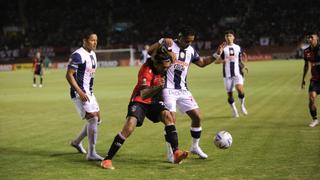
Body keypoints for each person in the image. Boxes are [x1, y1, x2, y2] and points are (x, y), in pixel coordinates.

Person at [100, 49, 189, 170]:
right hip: (140, 99)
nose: (166, 70)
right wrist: (159, 86)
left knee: (168, 117)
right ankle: (107, 159)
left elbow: (160, 50)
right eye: (164, 67)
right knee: (130, 126)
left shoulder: (163, 65)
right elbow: (144, 94)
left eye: (167, 67)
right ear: (157, 64)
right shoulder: (146, 71)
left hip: (154, 100)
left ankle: (176, 152)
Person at [148, 26, 218, 162]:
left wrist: (216, 55)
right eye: (186, 41)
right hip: (168, 89)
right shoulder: (168, 44)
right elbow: (150, 51)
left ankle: (195, 146)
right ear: (179, 37)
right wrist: (161, 40)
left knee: (197, 117)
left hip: (183, 90)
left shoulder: (191, 50)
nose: (189, 44)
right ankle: (171, 152)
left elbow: (202, 63)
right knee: (170, 120)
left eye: (191, 41)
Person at [66, 30, 103, 161]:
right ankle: (91, 153)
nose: (95, 43)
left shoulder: (92, 54)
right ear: (85, 41)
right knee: (92, 119)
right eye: (92, 40)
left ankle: (76, 142)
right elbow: (69, 75)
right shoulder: (77, 55)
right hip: (79, 92)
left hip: (89, 92)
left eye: (96, 40)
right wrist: (80, 92)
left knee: (97, 119)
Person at [214, 30, 248, 118]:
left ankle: (242, 106)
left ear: (233, 37)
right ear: (225, 38)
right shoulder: (223, 49)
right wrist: (222, 60)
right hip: (227, 75)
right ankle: (234, 110)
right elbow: (216, 61)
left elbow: (239, 60)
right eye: (226, 36)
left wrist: (244, 66)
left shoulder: (238, 47)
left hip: (237, 73)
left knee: (240, 90)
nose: (228, 37)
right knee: (230, 95)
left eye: (230, 36)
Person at [301, 32, 320, 128]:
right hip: (315, 80)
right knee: (311, 98)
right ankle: (315, 119)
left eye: (312, 37)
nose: (310, 39)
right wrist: (303, 79)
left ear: (317, 38)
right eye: (309, 37)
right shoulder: (306, 51)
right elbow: (306, 66)